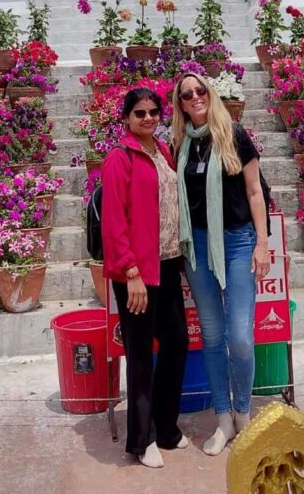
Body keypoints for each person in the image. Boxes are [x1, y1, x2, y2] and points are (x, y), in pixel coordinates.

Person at [172, 72, 270, 456]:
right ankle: (224, 418)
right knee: (212, 336)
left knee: (240, 337)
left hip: (238, 243)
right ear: (181, 104)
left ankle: (243, 413)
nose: (195, 97)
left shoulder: (235, 135)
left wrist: (262, 244)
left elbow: (255, 192)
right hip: (197, 247)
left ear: (210, 93)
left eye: (200, 90)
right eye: (186, 94)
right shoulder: (180, 144)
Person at [101, 86, 189, 469]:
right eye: (140, 113)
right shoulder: (119, 158)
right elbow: (114, 221)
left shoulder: (163, 151)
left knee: (177, 343)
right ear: (126, 118)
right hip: (136, 272)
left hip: (167, 265)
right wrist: (130, 272)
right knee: (139, 355)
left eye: (154, 111)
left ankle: (166, 427)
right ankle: (142, 439)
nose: (148, 118)